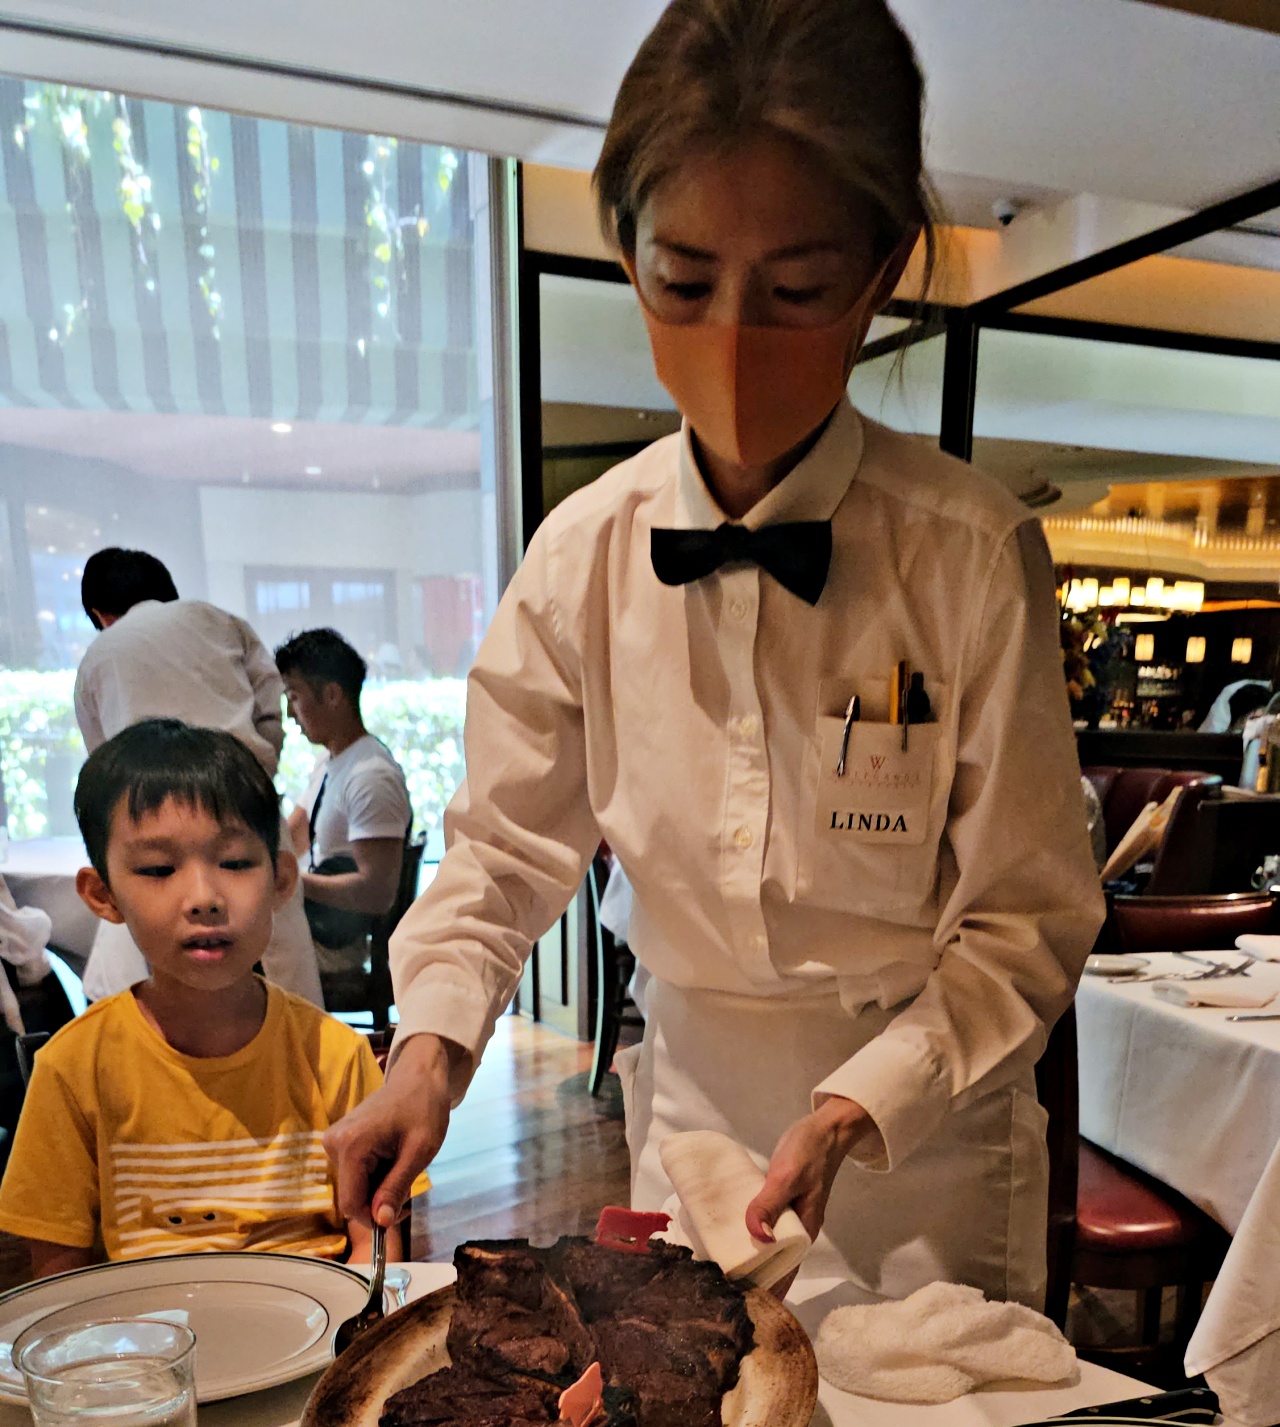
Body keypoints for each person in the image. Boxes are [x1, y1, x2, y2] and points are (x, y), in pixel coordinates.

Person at [324, 0, 1103, 1306]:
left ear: (880, 269)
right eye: (685, 281)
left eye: (795, 289)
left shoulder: (968, 557)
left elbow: (1027, 916)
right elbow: (505, 854)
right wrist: (430, 1053)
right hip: (686, 1125)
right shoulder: (584, 555)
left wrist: (867, 1102)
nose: (733, 336)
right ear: (626, 253)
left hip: (921, 1151)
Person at [0, 721, 391, 1277]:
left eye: (234, 863)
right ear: (103, 894)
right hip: (150, 1350)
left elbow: (377, 1248)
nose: (204, 898)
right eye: (159, 870)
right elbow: (60, 1282)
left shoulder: (334, 1055)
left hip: (324, 1340)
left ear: (282, 879)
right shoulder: (73, 1069)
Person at [73, 547, 322, 1008]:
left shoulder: (99, 655)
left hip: (148, 815)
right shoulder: (220, 622)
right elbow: (270, 709)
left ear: (100, 614)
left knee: (156, 956)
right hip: (243, 800)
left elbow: (103, 771)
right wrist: (255, 772)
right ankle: (306, 1059)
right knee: (284, 952)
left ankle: (156, 1059)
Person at [274, 628, 412, 970]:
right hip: (311, 927)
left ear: (333, 695)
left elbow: (377, 893)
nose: (291, 714)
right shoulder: (330, 762)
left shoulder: (371, 776)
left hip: (335, 946)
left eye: (294, 696)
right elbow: (295, 834)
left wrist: (290, 883)